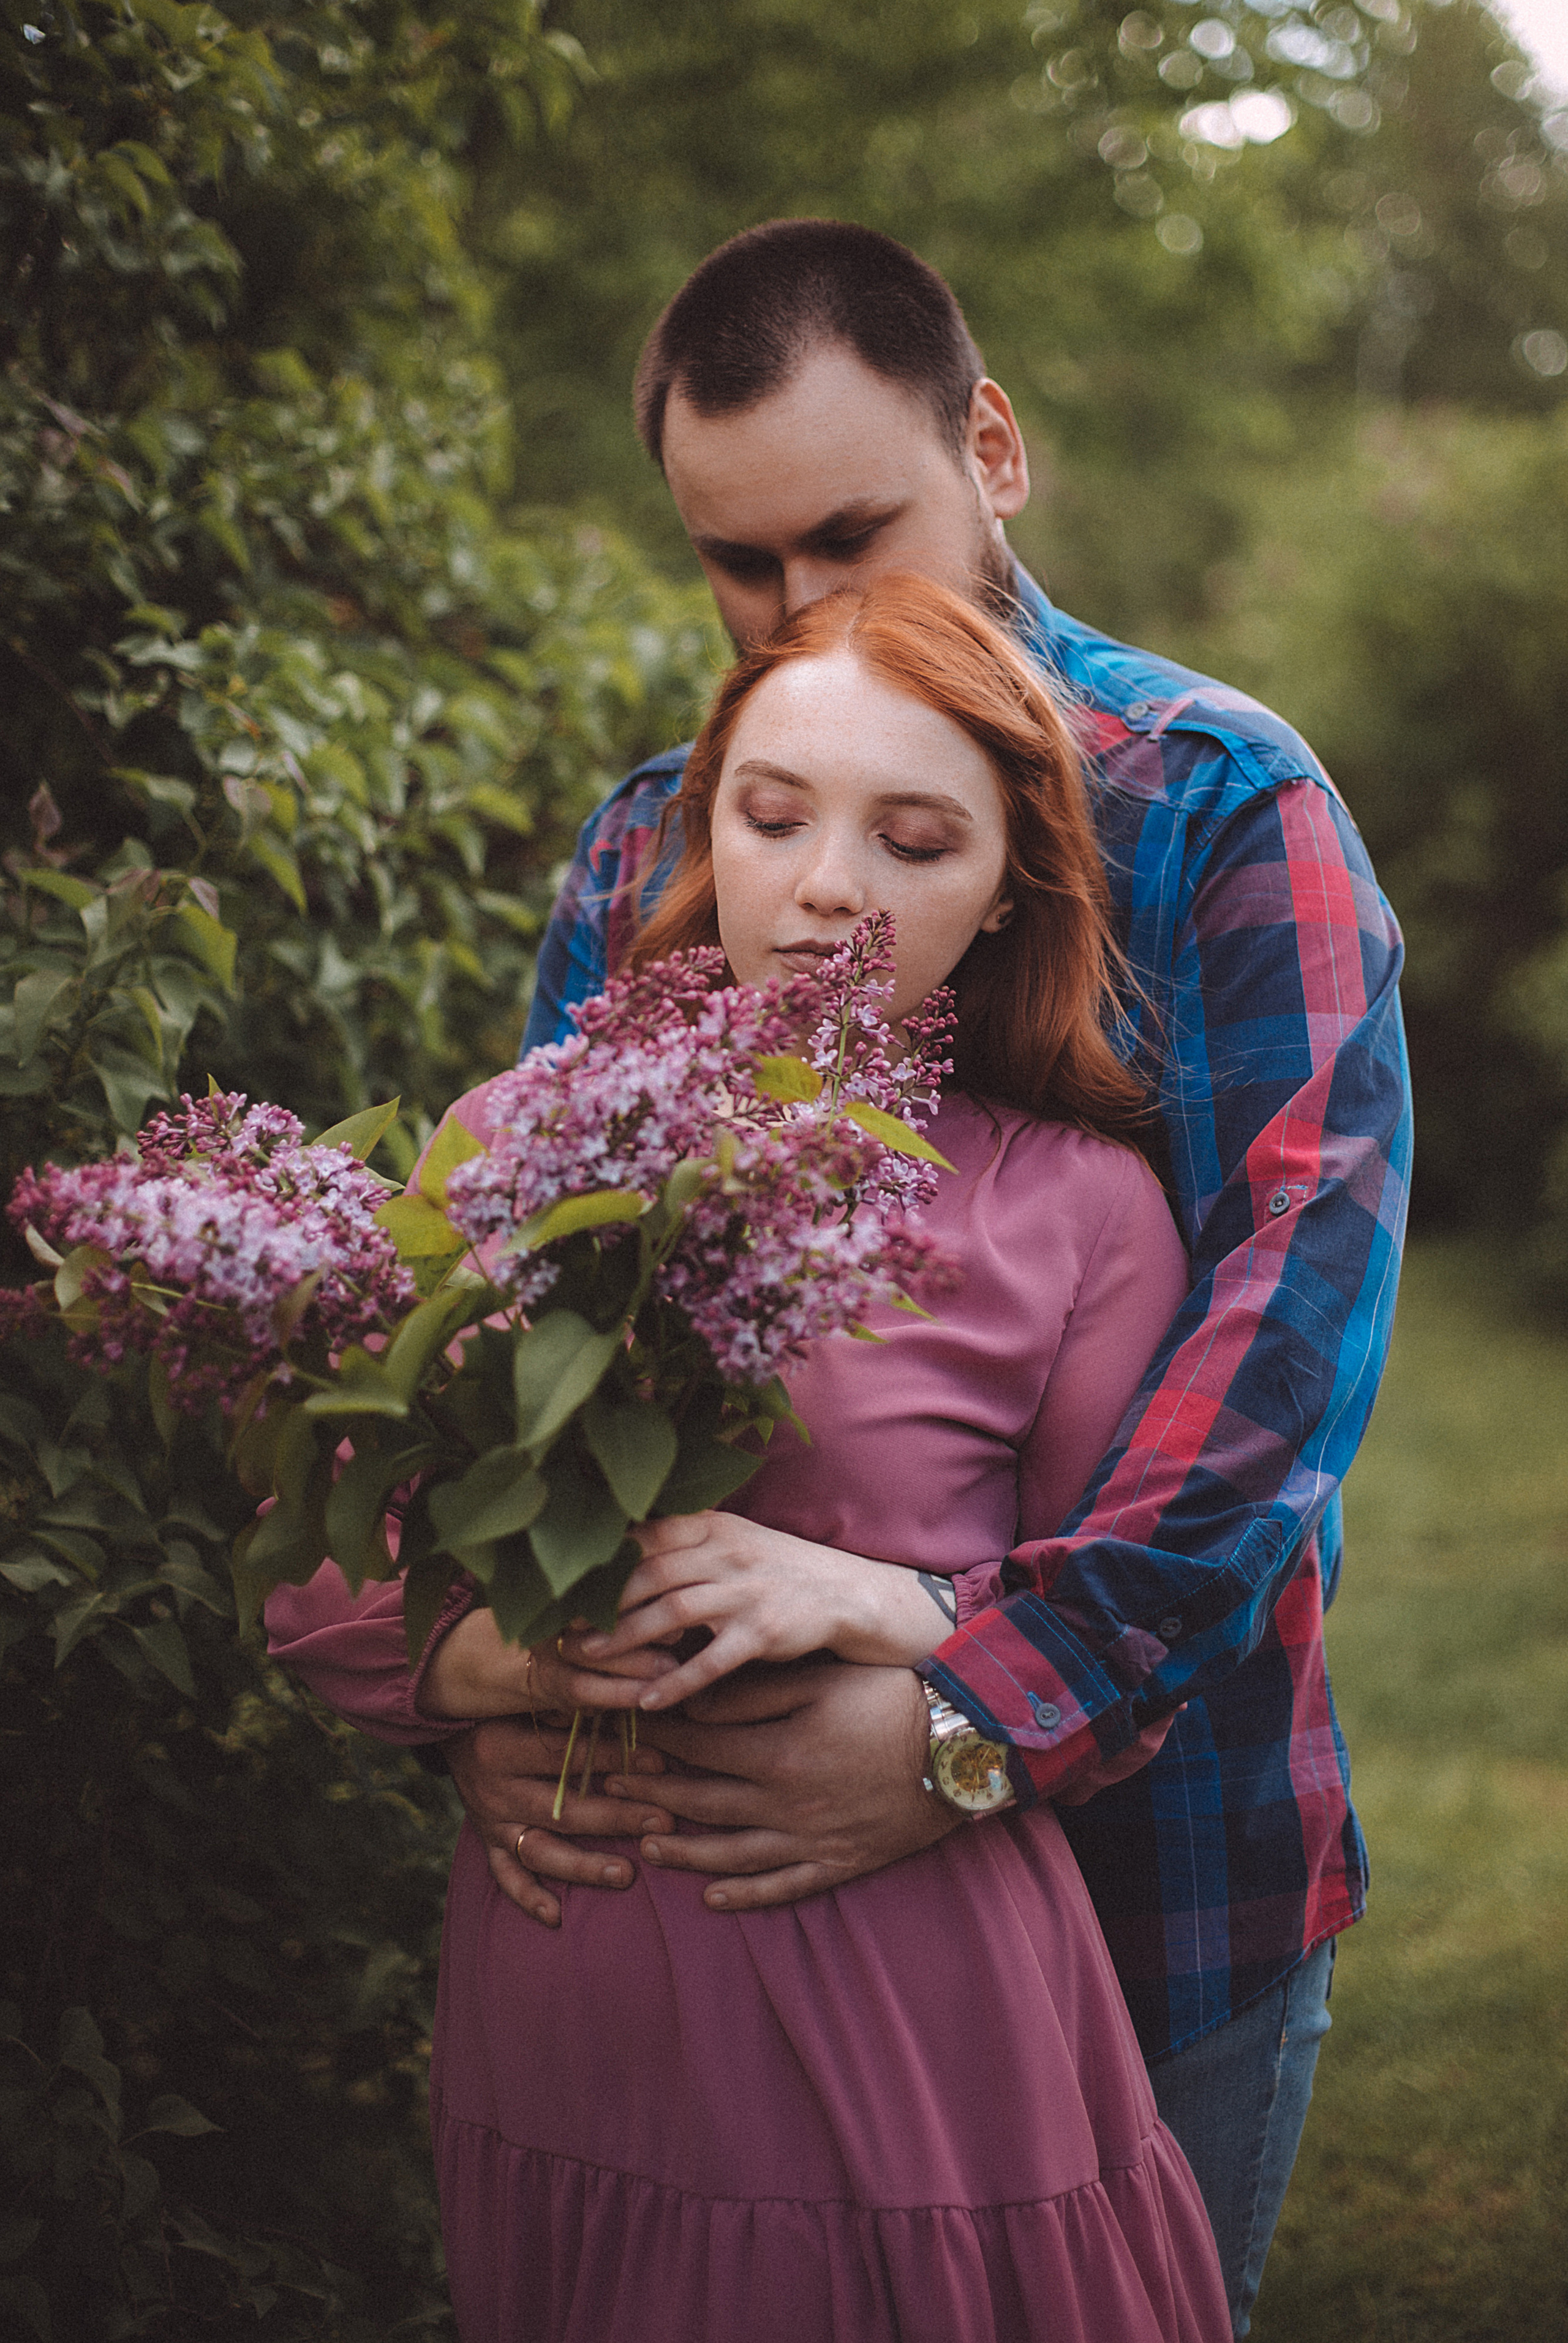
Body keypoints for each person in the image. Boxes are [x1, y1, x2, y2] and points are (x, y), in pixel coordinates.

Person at [431, 222, 1412, 2337]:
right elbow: (518, 1330)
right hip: (686, 1906)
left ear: (996, 447)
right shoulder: (649, 846)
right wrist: (478, 1672)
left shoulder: (1220, 806)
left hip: (1162, 1873)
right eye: (735, 561)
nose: (798, 608)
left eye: (851, 530)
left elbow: (1286, 1341)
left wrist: (979, 1718)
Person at [270, 574, 1232, 2342]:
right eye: (773, 815)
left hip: (911, 1979)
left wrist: (879, 1598)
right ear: (707, 819)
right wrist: (505, 1661)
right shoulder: (521, 1141)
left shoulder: (1077, 1213)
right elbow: (323, 1572)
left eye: (916, 839)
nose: (828, 888)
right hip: (581, 1979)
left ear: (1009, 878)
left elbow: (1135, 1646)